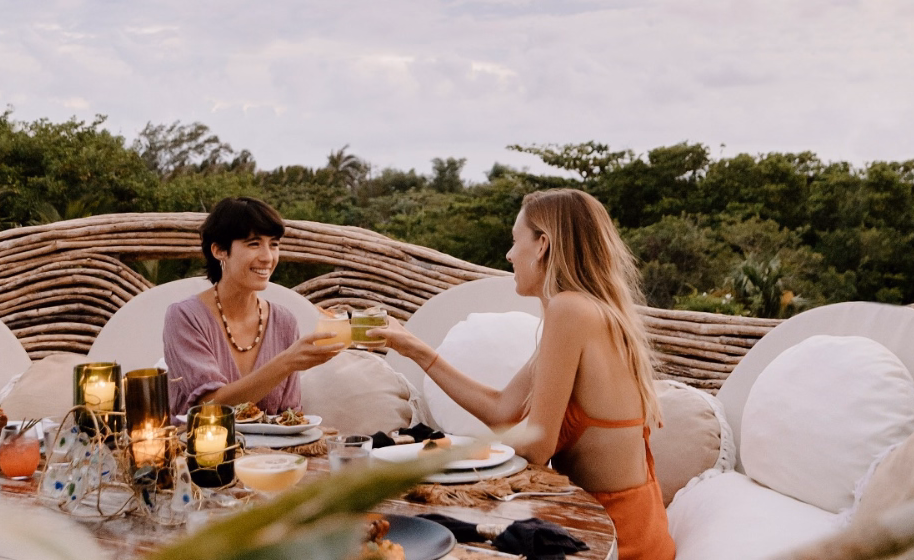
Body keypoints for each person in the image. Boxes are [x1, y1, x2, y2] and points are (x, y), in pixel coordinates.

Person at [371, 189, 676, 560]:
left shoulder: (570, 310)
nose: (509, 254)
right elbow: (503, 409)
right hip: (624, 527)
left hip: (614, 540)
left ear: (542, 245)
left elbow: (536, 447)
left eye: (515, 241)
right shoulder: (588, 312)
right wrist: (414, 348)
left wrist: (442, 454)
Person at [163, 197, 346, 416]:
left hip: (270, 441)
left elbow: (290, 415)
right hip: (197, 439)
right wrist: (286, 362)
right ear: (219, 250)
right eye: (254, 244)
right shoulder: (185, 317)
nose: (268, 257)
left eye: (274, 244)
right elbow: (208, 408)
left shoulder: (284, 322)